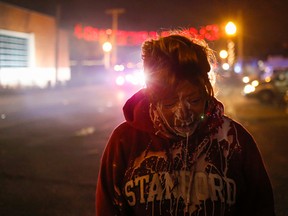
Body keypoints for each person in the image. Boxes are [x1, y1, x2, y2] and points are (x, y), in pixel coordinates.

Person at [96, 31, 275, 216]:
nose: (183, 115)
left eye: (195, 100)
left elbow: (260, 207)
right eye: (169, 103)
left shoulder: (234, 141)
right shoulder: (125, 141)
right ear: (152, 99)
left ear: (206, 92)